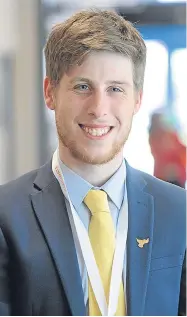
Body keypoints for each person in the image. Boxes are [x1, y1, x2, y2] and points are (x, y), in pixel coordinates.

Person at [0, 9, 186, 316]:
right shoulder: (7, 216)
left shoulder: (179, 213)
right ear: (50, 93)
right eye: (82, 87)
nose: (99, 108)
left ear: (137, 99)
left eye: (115, 89)